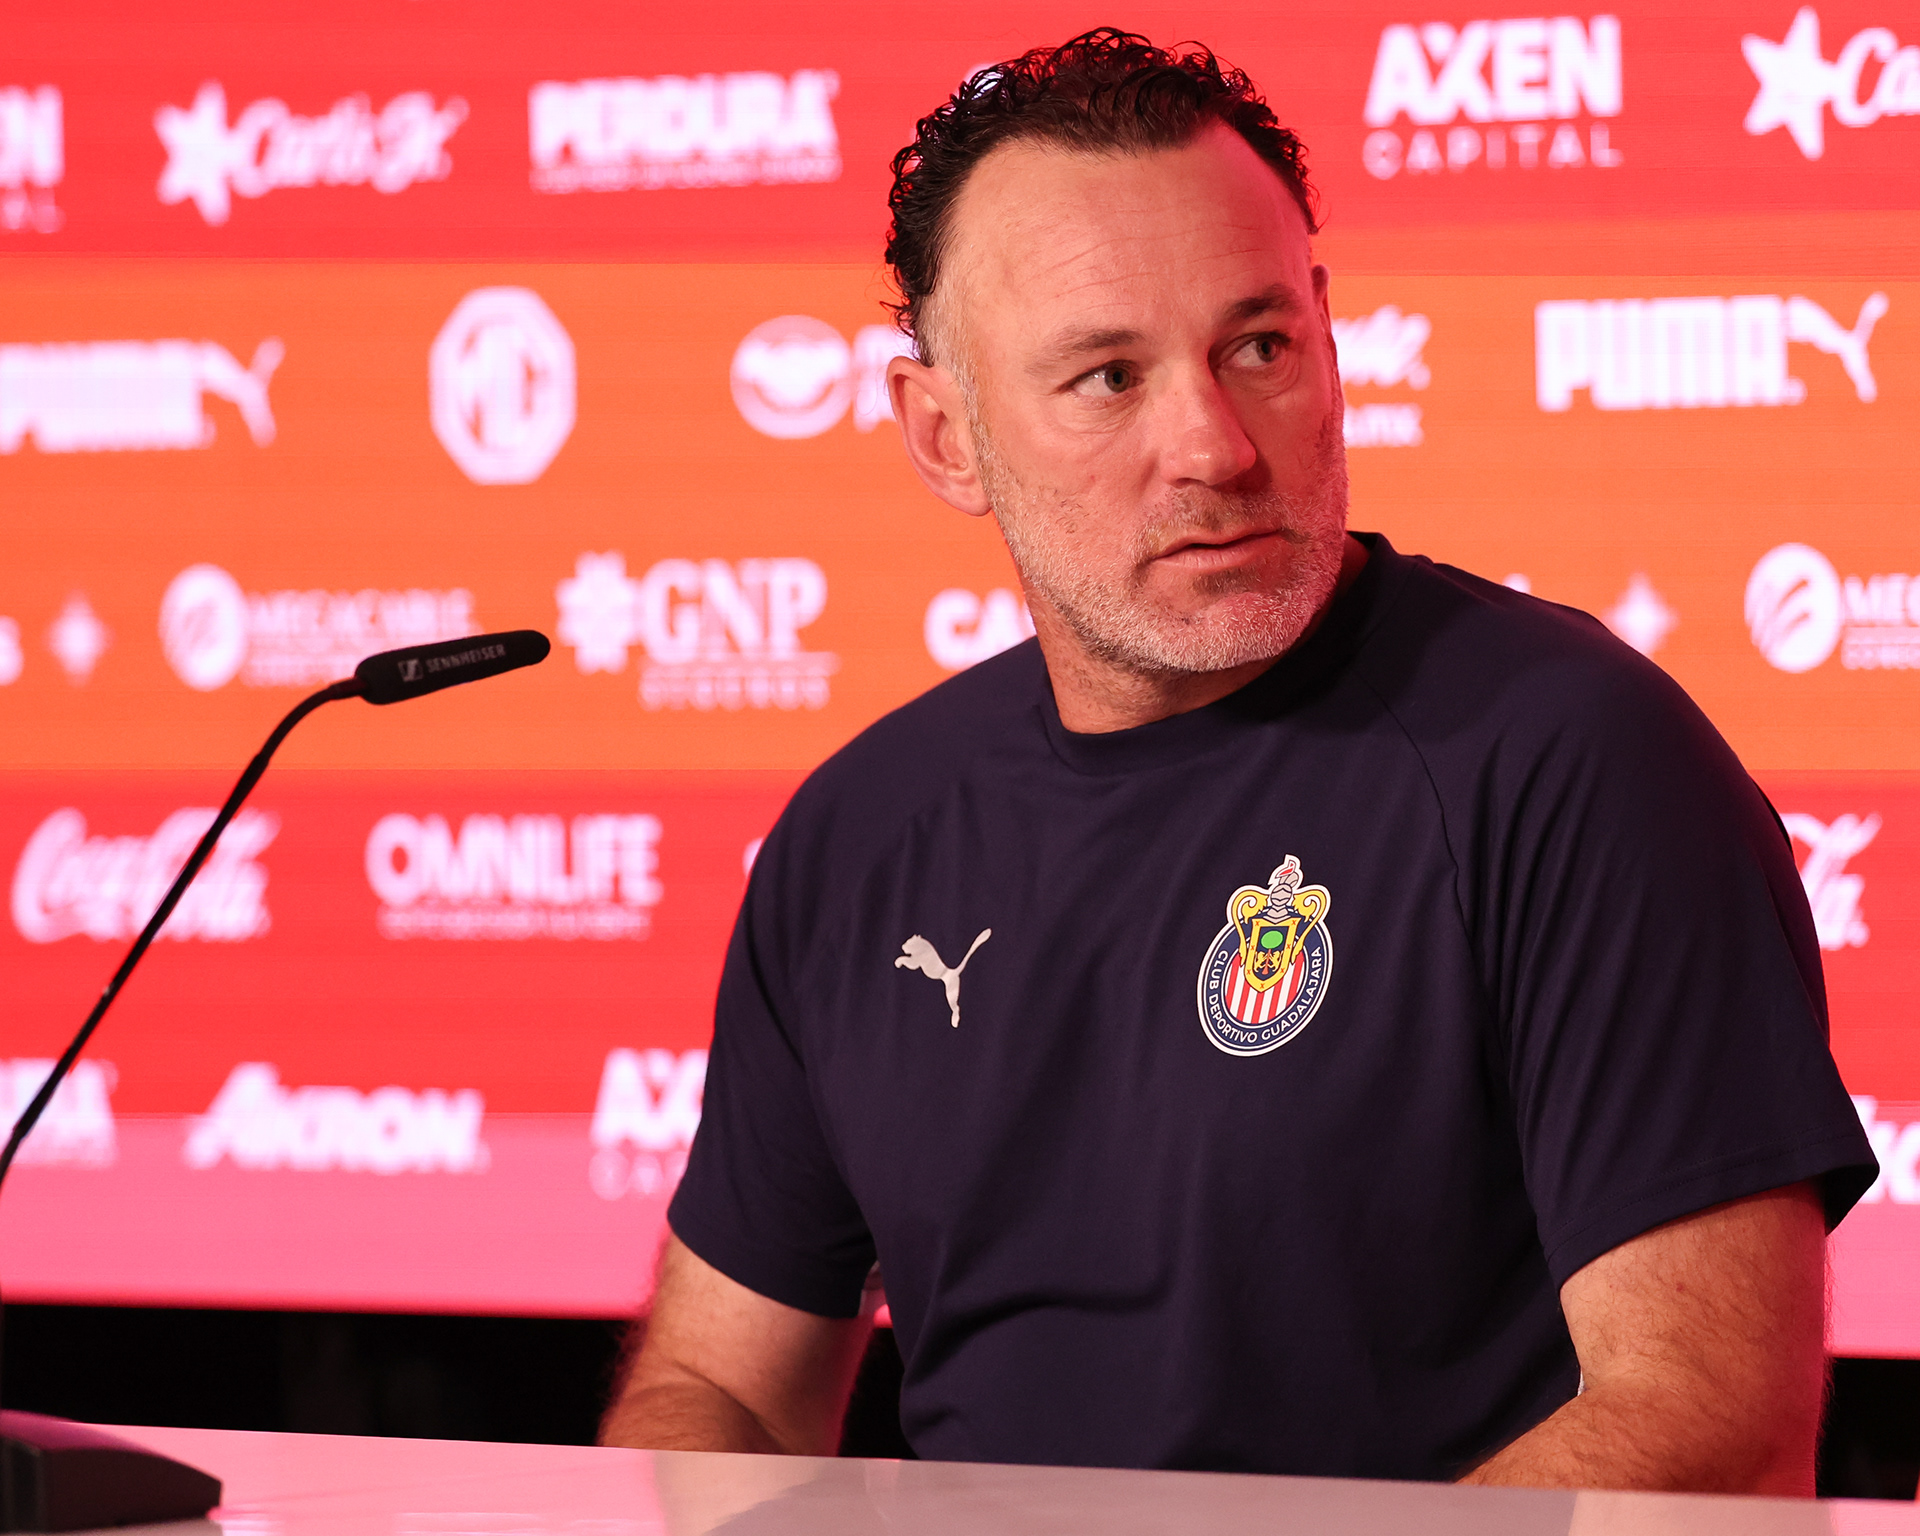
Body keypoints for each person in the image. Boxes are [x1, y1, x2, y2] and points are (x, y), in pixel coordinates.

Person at [600, 30, 1875, 1492]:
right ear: (945, 438)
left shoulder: (1571, 757)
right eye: (1108, 377)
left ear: (1326, 333)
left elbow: (1705, 1423)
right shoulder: (859, 834)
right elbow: (715, 1391)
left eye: (1258, 347)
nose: (1213, 445)